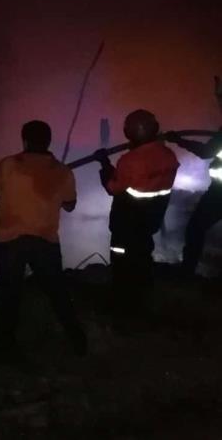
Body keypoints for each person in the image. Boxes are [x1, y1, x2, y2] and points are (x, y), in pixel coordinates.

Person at [0, 120, 87, 356]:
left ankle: (5, 348)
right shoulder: (63, 171)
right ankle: (78, 342)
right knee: (57, 293)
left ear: (25, 140)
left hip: (9, 242)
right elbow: (70, 205)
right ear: (48, 141)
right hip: (45, 242)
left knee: (9, 296)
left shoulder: (9, 165)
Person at [93, 110, 179, 323]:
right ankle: (142, 302)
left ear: (131, 132)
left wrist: (104, 164)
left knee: (122, 264)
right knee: (142, 259)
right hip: (150, 221)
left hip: (127, 223)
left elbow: (113, 187)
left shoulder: (130, 160)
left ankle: (124, 310)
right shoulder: (169, 155)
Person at [166, 76, 222, 277]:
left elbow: (207, 152)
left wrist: (178, 140)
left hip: (219, 194)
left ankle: (187, 272)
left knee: (196, 228)